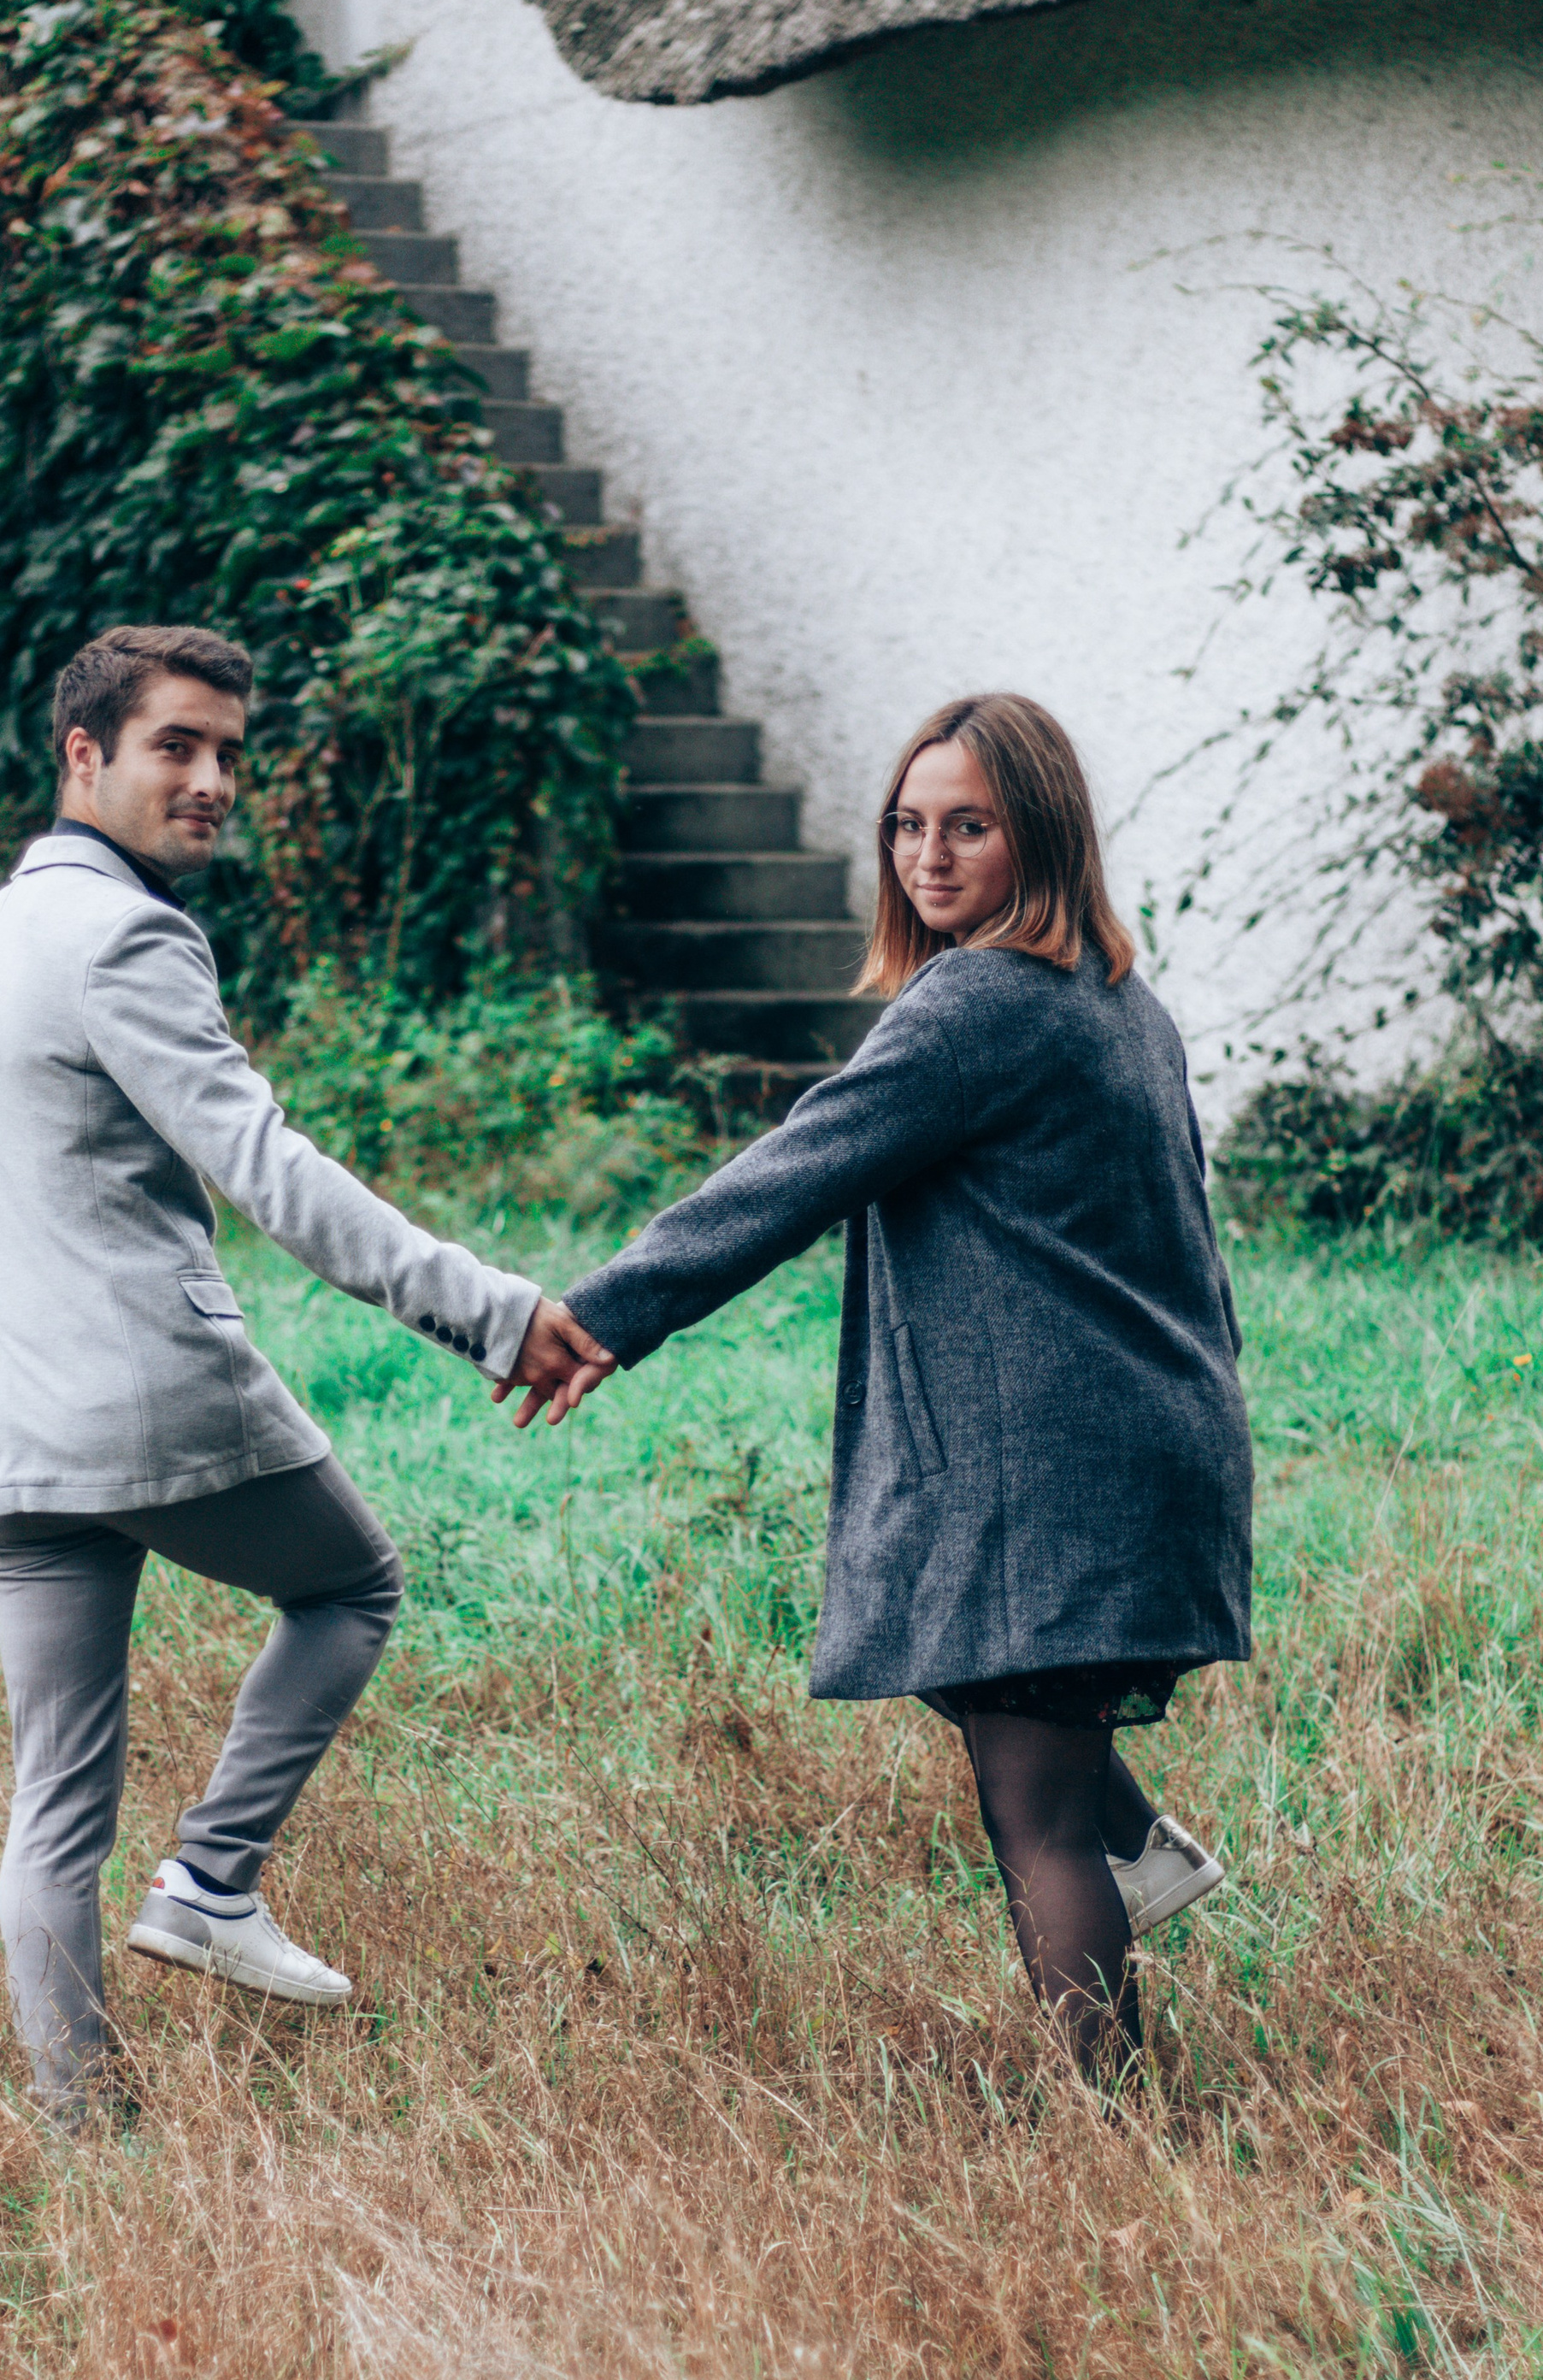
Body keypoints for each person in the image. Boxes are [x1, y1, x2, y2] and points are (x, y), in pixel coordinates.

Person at [0, 623, 607, 2122]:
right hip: (146, 1395)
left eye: (230, 750)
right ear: (84, 755)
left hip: (9, 1431)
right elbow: (270, 1172)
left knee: (54, 1803)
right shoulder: (126, 934)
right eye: (178, 744)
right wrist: (492, 1310)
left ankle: (82, 2127)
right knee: (353, 1584)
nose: (216, 778)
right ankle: (215, 1878)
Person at [557, 693, 1251, 2081]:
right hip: (1158, 1432)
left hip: (1057, 1458)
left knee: (1029, 1809)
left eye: (969, 826)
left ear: (1038, 834)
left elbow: (797, 1170)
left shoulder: (981, 999)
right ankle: (1143, 1850)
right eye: (908, 824)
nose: (927, 856)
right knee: (956, 1648)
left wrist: (601, 1316)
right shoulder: (1121, 996)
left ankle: (1115, 2124)